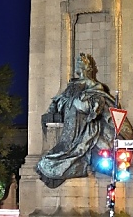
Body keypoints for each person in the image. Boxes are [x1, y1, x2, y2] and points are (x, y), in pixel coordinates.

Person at [36, 53, 123, 188]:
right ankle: (60, 162)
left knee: (76, 147)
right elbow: (59, 99)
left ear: (88, 68)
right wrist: (54, 107)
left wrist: (89, 108)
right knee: (56, 154)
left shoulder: (93, 85)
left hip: (84, 124)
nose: (79, 67)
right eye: (78, 64)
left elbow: (99, 99)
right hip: (70, 126)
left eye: (82, 65)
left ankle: (74, 159)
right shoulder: (72, 85)